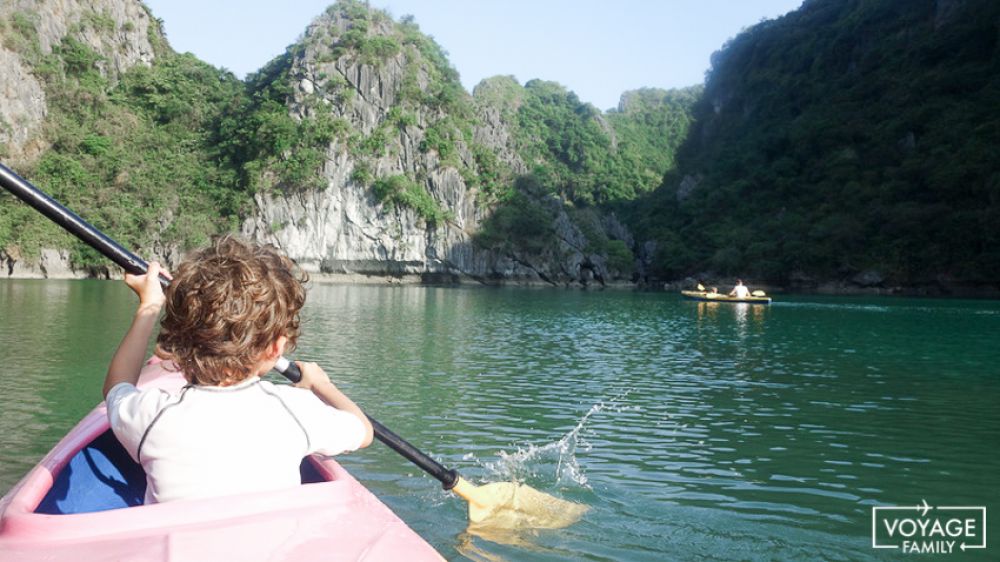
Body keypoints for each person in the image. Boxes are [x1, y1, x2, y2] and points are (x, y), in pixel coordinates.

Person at [103, 236, 374, 504]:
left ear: (178, 339)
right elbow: (364, 432)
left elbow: (116, 387)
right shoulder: (294, 410)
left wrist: (149, 306)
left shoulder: (152, 416)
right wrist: (320, 385)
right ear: (276, 347)